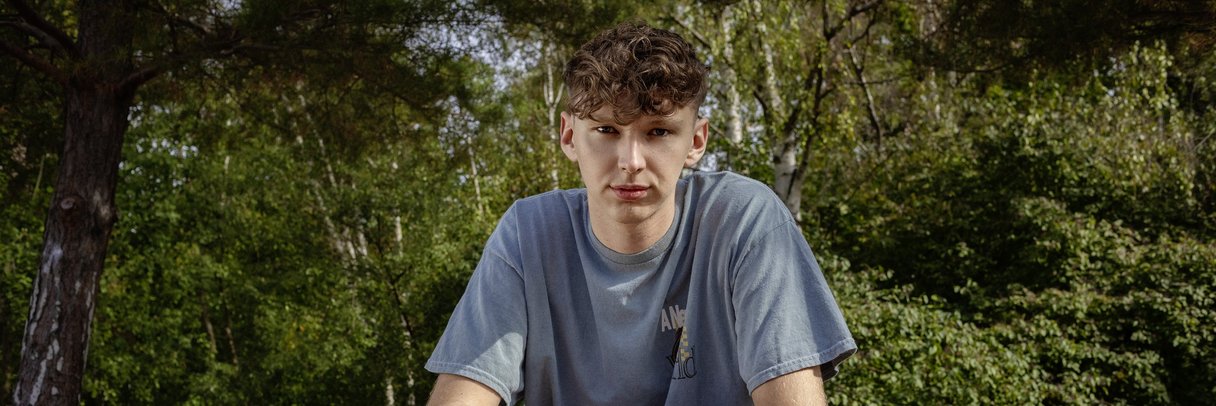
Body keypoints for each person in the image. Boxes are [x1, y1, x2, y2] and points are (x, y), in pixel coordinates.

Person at [425, 21, 855, 405]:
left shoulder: (743, 222)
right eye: (607, 129)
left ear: (696, 141)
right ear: (569, 135)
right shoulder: (529, 235)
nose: (630, 160)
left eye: (659, 131)